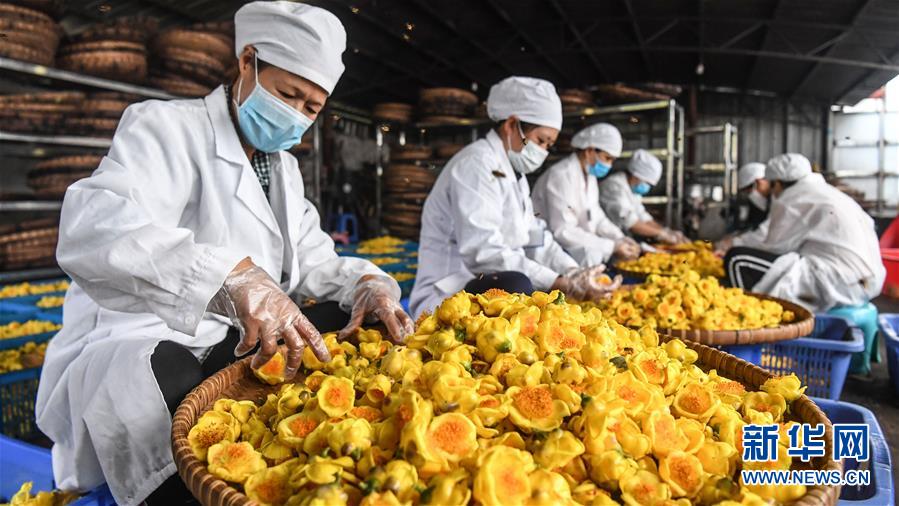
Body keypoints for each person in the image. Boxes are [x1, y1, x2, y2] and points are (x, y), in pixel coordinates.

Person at [35, 4, 413, 505]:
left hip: (236, 344)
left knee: (350, 319)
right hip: (144, 338)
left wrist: (367, 282)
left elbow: (315, 259)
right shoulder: (165, 128)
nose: (296, 114)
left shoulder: (283, 171)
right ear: (247, 61)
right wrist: (227, 278)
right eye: (287, 94)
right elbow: (93, 227)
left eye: (311, 106)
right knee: (174, 392)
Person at [410, 76, 621, 319]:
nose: (543, 151)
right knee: (517, 284)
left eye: (548, 145)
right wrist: (558, 281)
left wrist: (573, 272)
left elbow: (537, 239)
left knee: (528, 290)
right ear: (511, 125)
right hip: (449, 291)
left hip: (483, 284)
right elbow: (484, 252)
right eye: (541, 140)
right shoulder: (476, 165)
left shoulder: (515, 176)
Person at [719, 153, 885, 311]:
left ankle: (749, 317)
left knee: (737, 259)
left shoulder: (791, 199)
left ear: (777, 183)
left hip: (840, 282)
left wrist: (731, 245)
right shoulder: (822, 192)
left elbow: (774, 247)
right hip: (868, 281)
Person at [532, 122, 640, 267]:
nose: (609, 165)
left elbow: (597, 217)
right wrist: (611, 246)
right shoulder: (561, 176)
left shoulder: (590, 177)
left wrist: (620, 238)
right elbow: (563, 231)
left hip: (575, 250)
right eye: (607, 158)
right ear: (589, 151)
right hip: (551, 254)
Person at [599, 149, 687, 244]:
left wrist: (667, 231)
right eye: (647, 182)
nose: (647, 187)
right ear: (636, 175)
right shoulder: (613, 186)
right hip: (605, 240)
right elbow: (630, 222)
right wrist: (661, 234)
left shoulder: (633, 190)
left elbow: (642, 216)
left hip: (620, 240)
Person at [714, 162, 771, 255]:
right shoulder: (759, 204)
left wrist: (735, 242)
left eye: (749, 190)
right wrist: (737, 235)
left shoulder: (779, 201)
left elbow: (767, 232)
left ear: (759, 182)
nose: (750, 195)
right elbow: (754, 227)